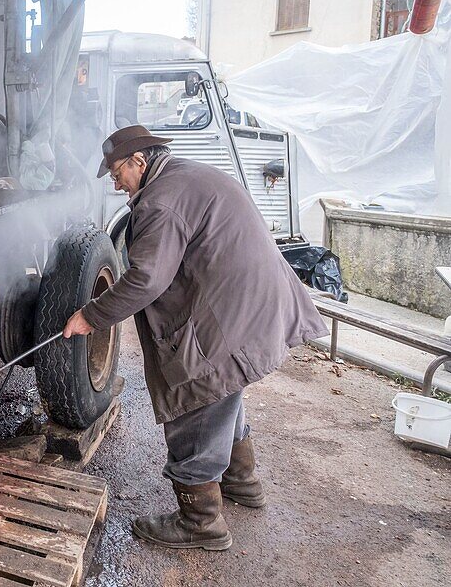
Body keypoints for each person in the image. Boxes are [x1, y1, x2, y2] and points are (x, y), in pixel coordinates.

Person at [62, 124, 328, 551]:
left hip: (232, 312)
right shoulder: (183, 176)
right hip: (255, 301)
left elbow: (145, 279)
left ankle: (200, 522)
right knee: (223, 392)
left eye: (117, 173)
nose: (115, 184)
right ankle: (242, 481)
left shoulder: (161, 202)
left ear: (139, 161)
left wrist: (91, 316)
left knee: (199, 397)